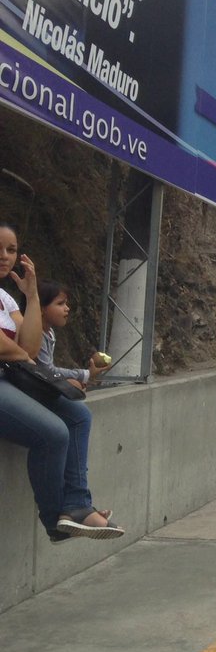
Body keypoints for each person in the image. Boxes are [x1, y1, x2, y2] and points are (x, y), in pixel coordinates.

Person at [0, 225, 123, 542]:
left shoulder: (5, 299)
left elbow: (28, 347)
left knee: (78, 416)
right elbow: (8, 348)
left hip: (10, 378)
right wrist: (20, 356)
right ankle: (55, 521)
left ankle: (77, 505)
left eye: (11, 250)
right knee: (53, 433)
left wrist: (31, 296)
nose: (4, 256)